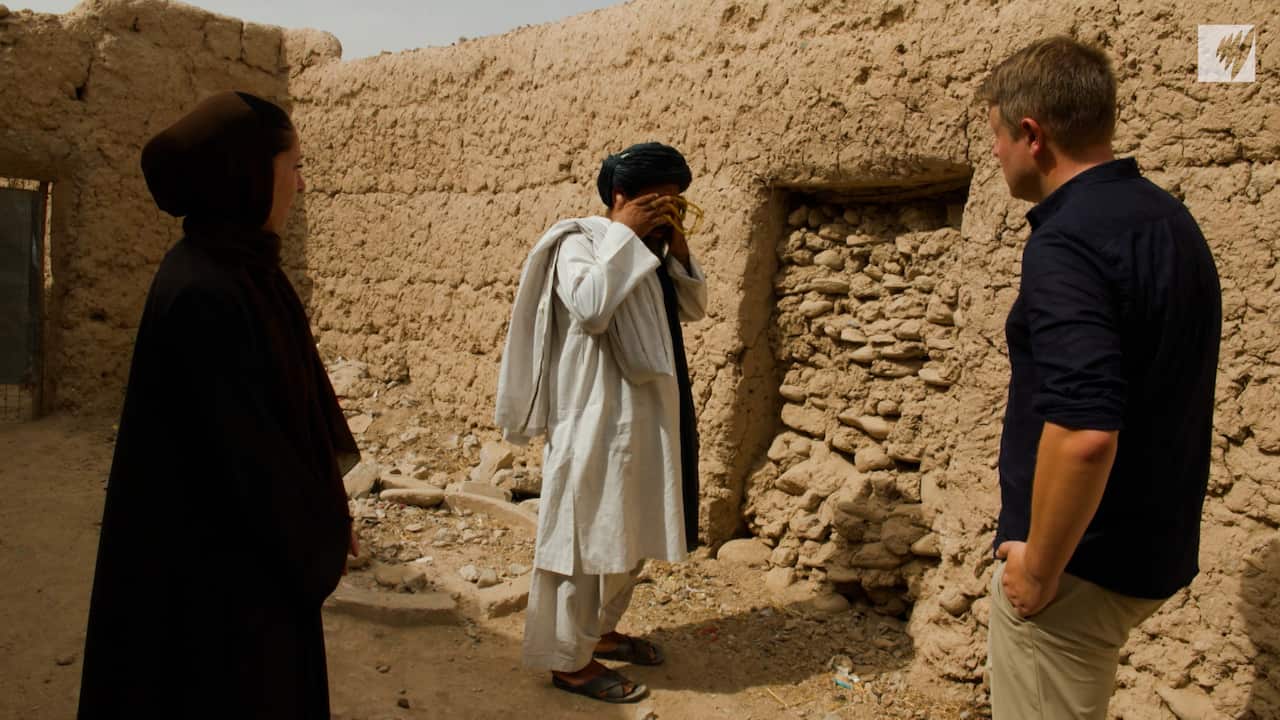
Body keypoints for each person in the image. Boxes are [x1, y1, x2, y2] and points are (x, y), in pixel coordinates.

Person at [78, 92, 360, 719]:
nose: (301, 184)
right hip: (219, 586)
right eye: (294, 166)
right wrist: (318, 526)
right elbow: (247, 460)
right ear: (251, 175)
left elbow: (288, 424)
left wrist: (324, 512)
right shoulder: (206, 288)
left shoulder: (241, 270)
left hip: (243, 570)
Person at [979, 37, 1222, 719]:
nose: (995, 154)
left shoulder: (1068, 242)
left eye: (996, 135)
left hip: (1080, 569)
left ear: (1032, 134)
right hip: (1150, 549)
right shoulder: (1169, 220)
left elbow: (1085, 431)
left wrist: (1038, 570)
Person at [495, 142, 707, 703]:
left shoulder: (650, 252)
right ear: (620, 197)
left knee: (629, 528)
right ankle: (568, 662)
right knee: (586, 535)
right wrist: (625, 233)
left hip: (651, 415)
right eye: (657, 203)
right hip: (595, 417)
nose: (666, 214)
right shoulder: (579, 243)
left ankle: (600, 631)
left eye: (676, 205)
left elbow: (692, 307)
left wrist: (675, 246)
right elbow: (590, 308)